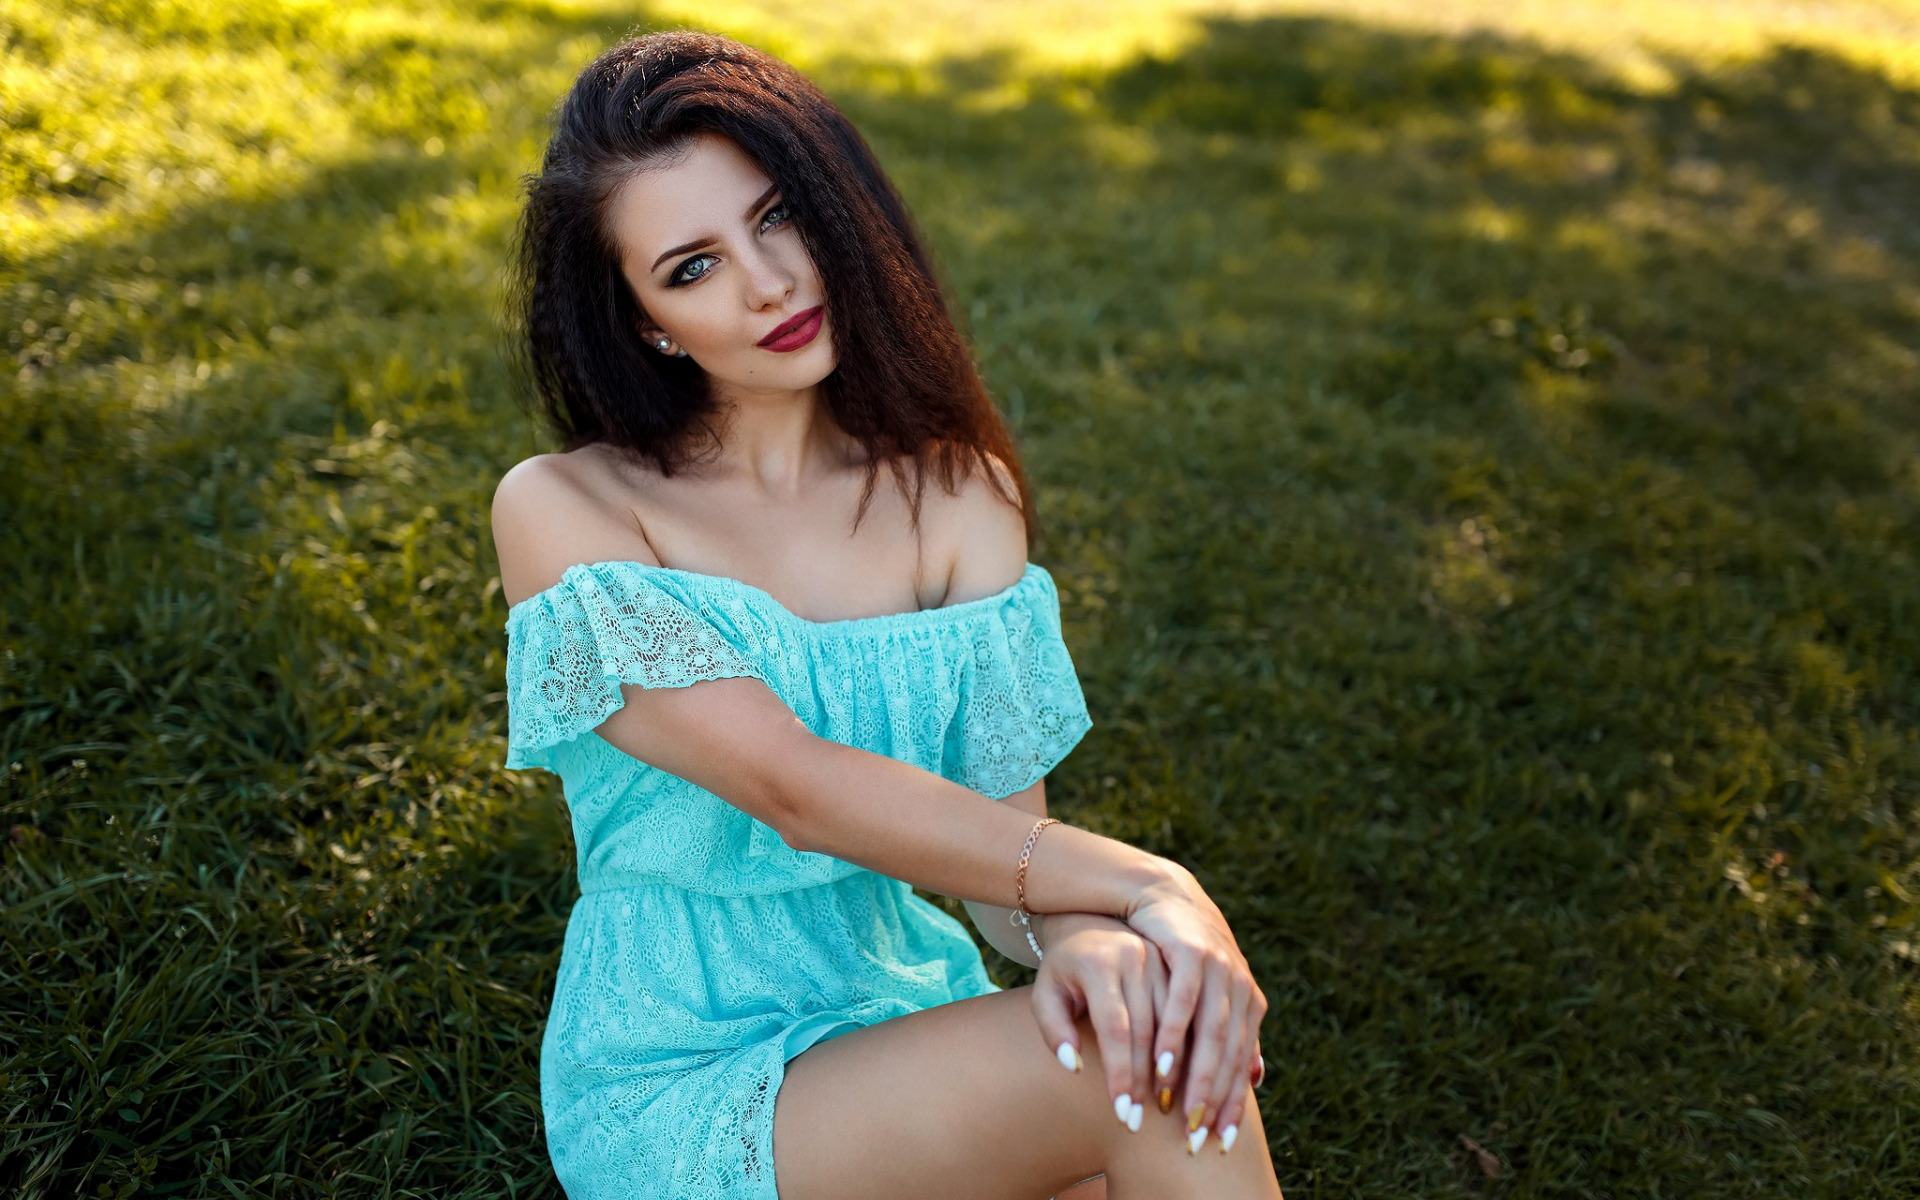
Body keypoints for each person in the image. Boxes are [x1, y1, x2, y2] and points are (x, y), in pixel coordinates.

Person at [492, 29, 1283, 1200]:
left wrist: (1094, 940)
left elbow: (1004, 861)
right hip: (691, 1073)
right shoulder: (570, 509)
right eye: (692, 267)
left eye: (776, 216)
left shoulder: (957, 497)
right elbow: (794, 789)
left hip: (898, 1014)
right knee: (1136, 1082)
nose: (768, 282)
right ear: (648, 320)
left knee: (1139, 1044)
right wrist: (1147, 884)